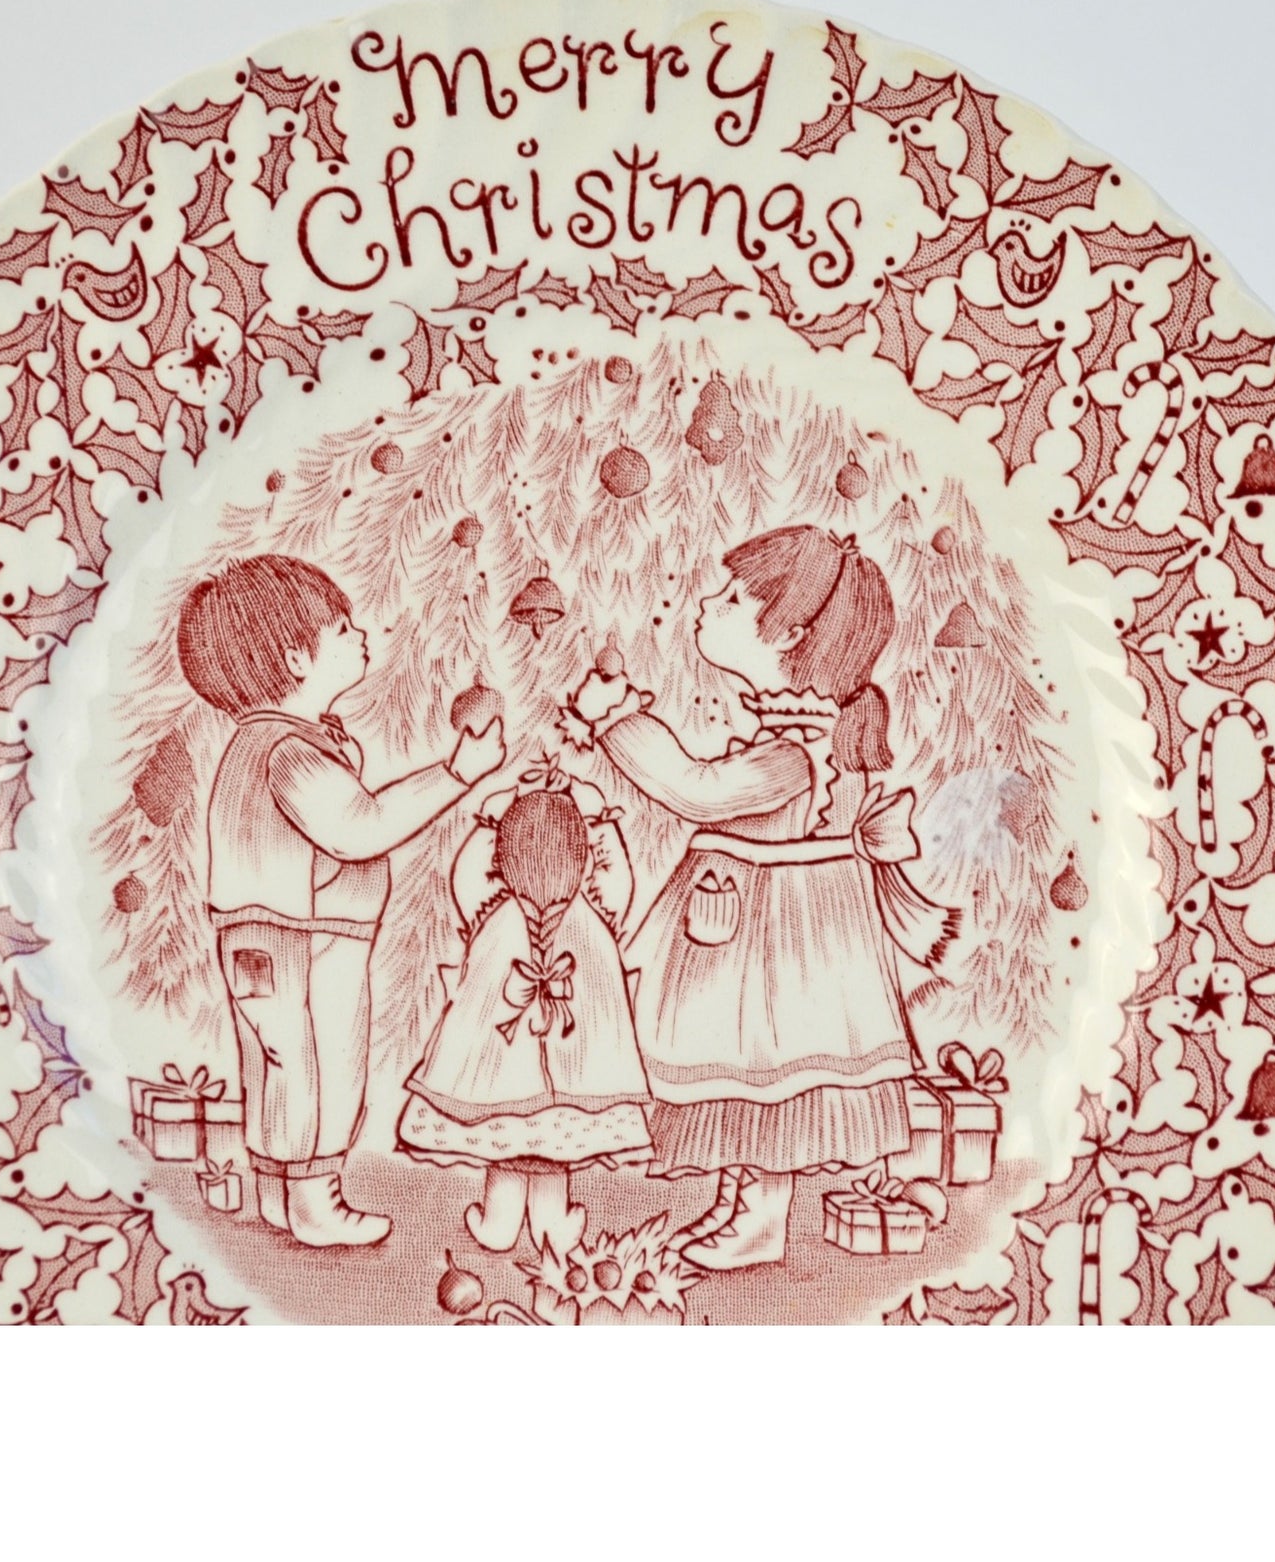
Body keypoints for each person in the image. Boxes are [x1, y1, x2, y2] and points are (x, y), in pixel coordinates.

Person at [558, 525, 956, 1270]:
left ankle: (761, 1218)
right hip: (752, 931)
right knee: (741, 1077)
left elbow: (699, 791)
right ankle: (741, 1202)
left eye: (733, 599)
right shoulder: (794, 732)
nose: (708, 604)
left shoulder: (797, 750)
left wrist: (614, 721)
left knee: (766, 1075)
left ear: (792, 633)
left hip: (777, 945)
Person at [181, 555, 506, 1247]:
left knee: (277, 1059)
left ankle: (279, 1195)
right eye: (342, 628)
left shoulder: (262, 744)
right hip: (309, 937)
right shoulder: (288, 751)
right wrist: (458, 774)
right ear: (298, 660)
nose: (361, 636)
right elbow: (359, 828)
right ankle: (316, 1201)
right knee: (323, 1061)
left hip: (265, 936)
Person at [397, 771, 652, 1256]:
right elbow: (618, 876)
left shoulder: (493, 915)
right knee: (554, 1147)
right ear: (584, 860)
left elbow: (465, 878)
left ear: (503, 862)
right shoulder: (595, 916)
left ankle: (500, 1223)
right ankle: (551, 1226)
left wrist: (492, 813)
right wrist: (597, 814)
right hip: (576, 1077)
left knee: (509, 1146)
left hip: (498, 1077)